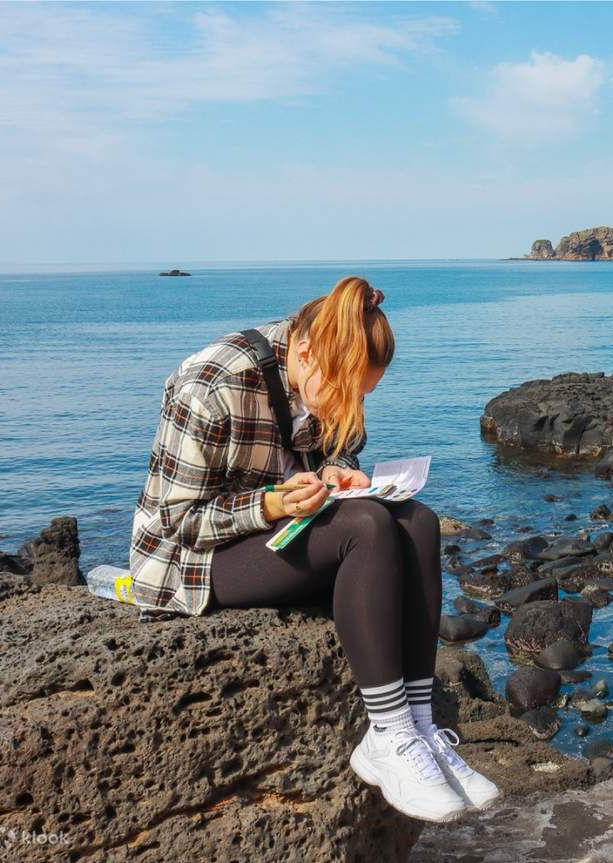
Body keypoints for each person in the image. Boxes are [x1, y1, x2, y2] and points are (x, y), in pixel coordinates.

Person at [129, 275, 499, 822]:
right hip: (193, 563)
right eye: (347, 390)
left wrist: (339, 473)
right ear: (305, 352)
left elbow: (342, 451)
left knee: (417, 520)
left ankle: (420, 725)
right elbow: (174, 522)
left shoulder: (325, 364)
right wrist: (272, 506)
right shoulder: (210, 387)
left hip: (285, 532)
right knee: (368, 527)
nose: (351, 405)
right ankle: (387, 736)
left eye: (363, 395)